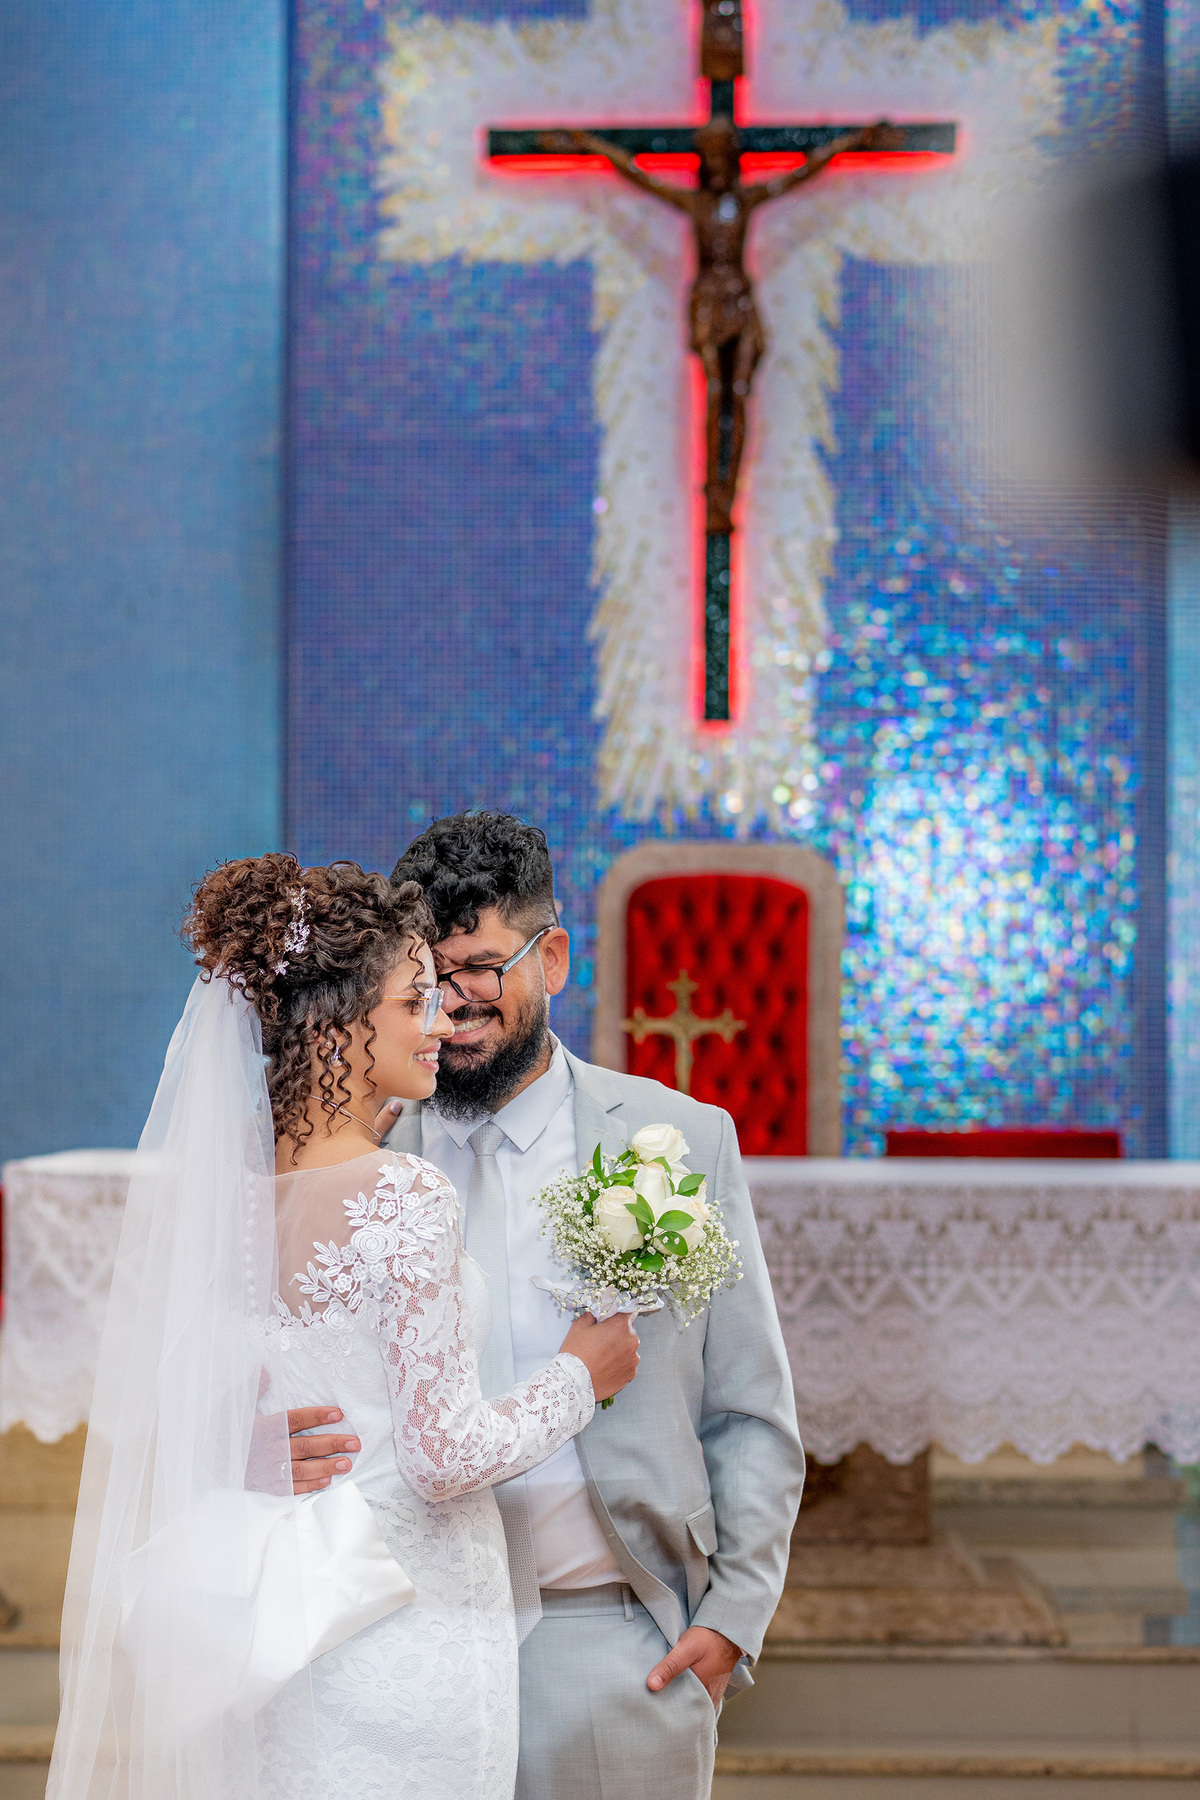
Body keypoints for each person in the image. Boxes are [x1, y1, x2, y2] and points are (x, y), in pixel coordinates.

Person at [48, 854, 638, 1800]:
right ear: (334, 1027)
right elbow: (442, 1456)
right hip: (411, 1624)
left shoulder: (231, 1200)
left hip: (290, 1632)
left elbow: (194, 1404)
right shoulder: (403, 1194)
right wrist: (581, 1375)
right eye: (414, 1001)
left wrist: (237, 1451)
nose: (441, 1021)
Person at [289, 816, 805, 1800]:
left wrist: (732, 1617)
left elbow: (748, 1408)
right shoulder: (356, 1161)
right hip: (398, 1643)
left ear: (552, 957)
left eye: (482, 966)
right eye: (428, 974)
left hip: (610, 1641)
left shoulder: (678, 1140)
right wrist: (266, 1443)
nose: (453, 1001)